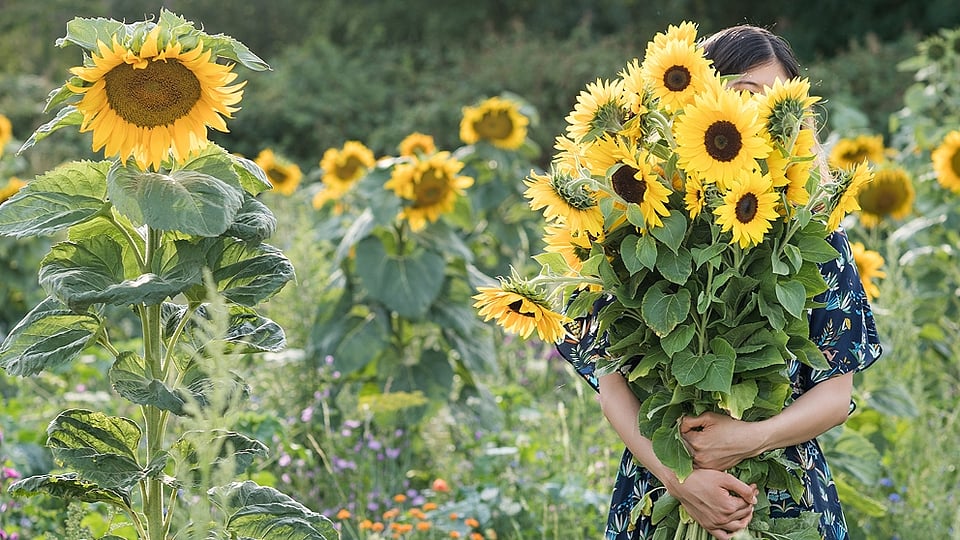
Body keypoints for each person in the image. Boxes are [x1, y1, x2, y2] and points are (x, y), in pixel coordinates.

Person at [555, 25, 883, 540]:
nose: (758, 119)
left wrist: (749, 438)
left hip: (779, 491)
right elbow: (611, 380)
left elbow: (836, 394)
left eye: (776, 106)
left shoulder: (811, 233)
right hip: (662, 487)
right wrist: (681, 477)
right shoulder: (632, 225)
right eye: (744, 97)